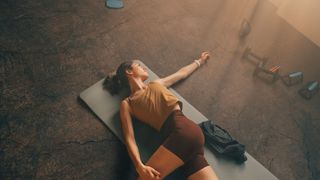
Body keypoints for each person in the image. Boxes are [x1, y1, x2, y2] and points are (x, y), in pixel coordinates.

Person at [103, 52, 219, 180]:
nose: (144, 68)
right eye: (139, 66)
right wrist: (139, 165)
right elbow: (129, 138)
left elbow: (182, 73)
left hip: (182, 133)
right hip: (192, 138)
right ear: (129, 71)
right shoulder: (127, 103)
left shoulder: (156, 83)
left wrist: (200, 61)